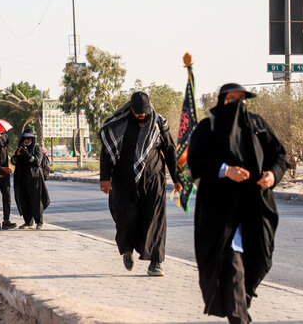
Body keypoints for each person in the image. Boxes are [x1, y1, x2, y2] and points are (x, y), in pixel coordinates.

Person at [188, 83, 288, 324]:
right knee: (232, 268)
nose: (239, 104)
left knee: (260, 260)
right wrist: (225, 170)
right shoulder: (208, 127)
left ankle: (240, 305)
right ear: (223, 101)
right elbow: (195, 161)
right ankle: (238, 316)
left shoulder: (257, 125)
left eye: (243, 99)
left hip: (255, 208)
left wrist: (273, 174)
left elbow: (279, 156)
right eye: (234, 99)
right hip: (220, 212)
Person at [99, 91, 182, 277]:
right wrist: (105, 177)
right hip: (124, 181)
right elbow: (107, 152)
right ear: (131, 109)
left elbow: (169, 150)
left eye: (145, 112)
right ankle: (127, 250)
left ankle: (156, 263)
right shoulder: (118, 124)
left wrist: (177, 178)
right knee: (126, 218)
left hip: (154, 179)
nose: (142, 115)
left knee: (156, 219)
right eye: (139, 112)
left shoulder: (159, 123)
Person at [11, 129, 50, 230]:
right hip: (22, 178)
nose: (27, 140)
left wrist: (28, 155)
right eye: (25, 138)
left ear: (32, 138)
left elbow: (37, 161)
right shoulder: (20, 148)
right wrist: (17, 156)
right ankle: (28, 222)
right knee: (24, 200)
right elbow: (13, 161)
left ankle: (39, 222)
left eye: (29, 138)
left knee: (36, 200)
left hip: (34, 178)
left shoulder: (37, 148)